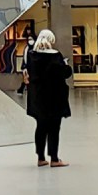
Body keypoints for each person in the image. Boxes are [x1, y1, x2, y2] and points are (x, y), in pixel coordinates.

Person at [24, 29, 71, 167]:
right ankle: (54, 158)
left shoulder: (32, 55)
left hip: (38, 97)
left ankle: (40, 157)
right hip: (54, 96)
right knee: (54, 127)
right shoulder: (56, 56)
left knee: (41, 126)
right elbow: (64, 73)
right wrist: (66, 65)